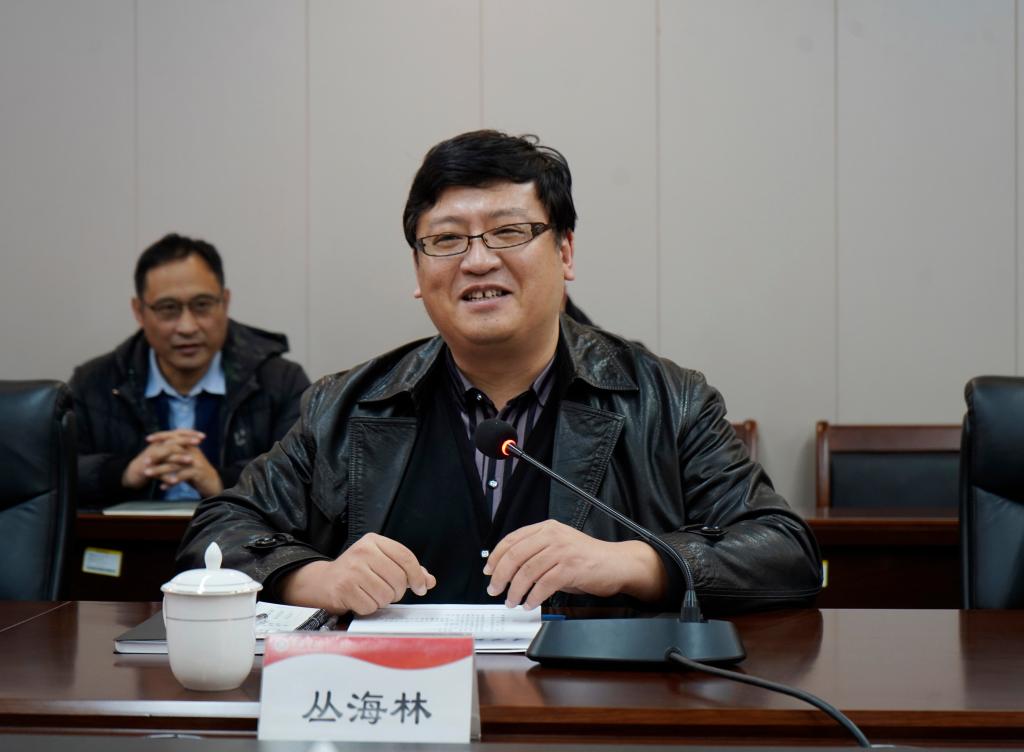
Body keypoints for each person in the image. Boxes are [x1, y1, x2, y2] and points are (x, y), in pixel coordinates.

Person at [177, 131, 821, 616]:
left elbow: (784, 551)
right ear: (418, 270)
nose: (478, 261)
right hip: (401, 709)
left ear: (565, 252)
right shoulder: (347, 405)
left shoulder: (666, 399)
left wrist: (632, 562)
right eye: (447, 240)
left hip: (594, 713)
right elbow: (217, 532)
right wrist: (315, 578)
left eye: (509, 232)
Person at [70, 234, 310, 507]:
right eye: (168, 308)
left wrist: (222, 482)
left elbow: (303, 479)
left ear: (225, 302)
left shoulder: (281, 381)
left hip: (239, 533)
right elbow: (55, 474)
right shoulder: (94, 383)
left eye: (202, 305)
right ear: (139, 311)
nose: (187, 327)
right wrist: (122, 473)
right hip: (129, 533)